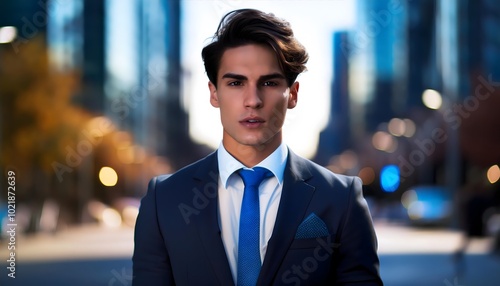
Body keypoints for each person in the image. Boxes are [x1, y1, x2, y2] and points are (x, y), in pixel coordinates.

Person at [133, 8, 382, 286]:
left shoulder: (341, 199)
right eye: (236, 82)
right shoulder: (164, 199)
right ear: (214, 93)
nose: (253, 100)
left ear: (293, 95)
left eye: (269, 82)